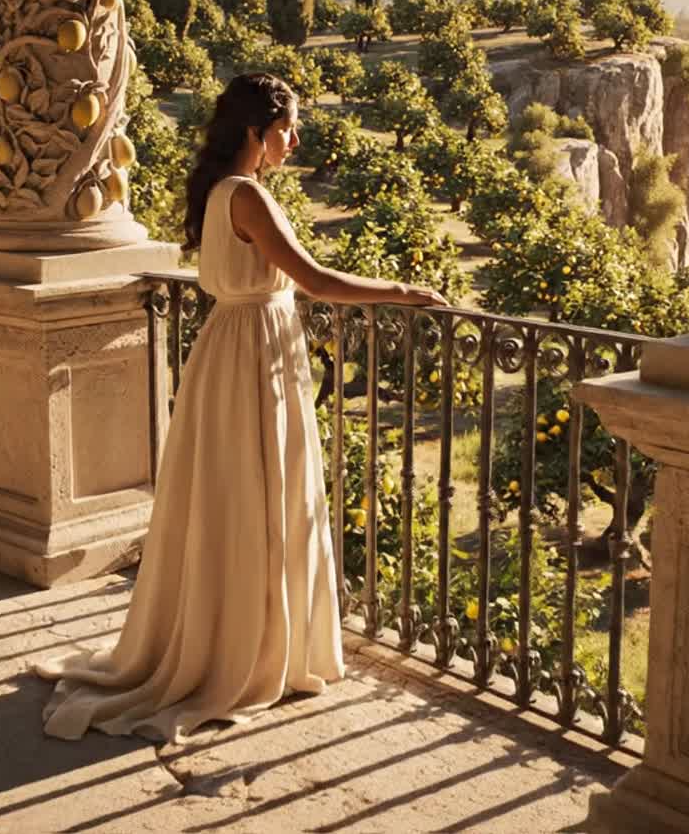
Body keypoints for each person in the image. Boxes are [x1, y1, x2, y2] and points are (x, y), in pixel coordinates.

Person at [31, 73, 447, 743]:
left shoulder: (223, 190)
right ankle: (250, 649)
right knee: (257, 495)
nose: (295, 140)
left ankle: (242, 635)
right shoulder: (248, 196)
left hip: (235, 350)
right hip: (255, 353)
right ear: (256, 132)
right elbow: (314, 280)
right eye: (287, 129)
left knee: (236, 496)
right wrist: (402, 288)